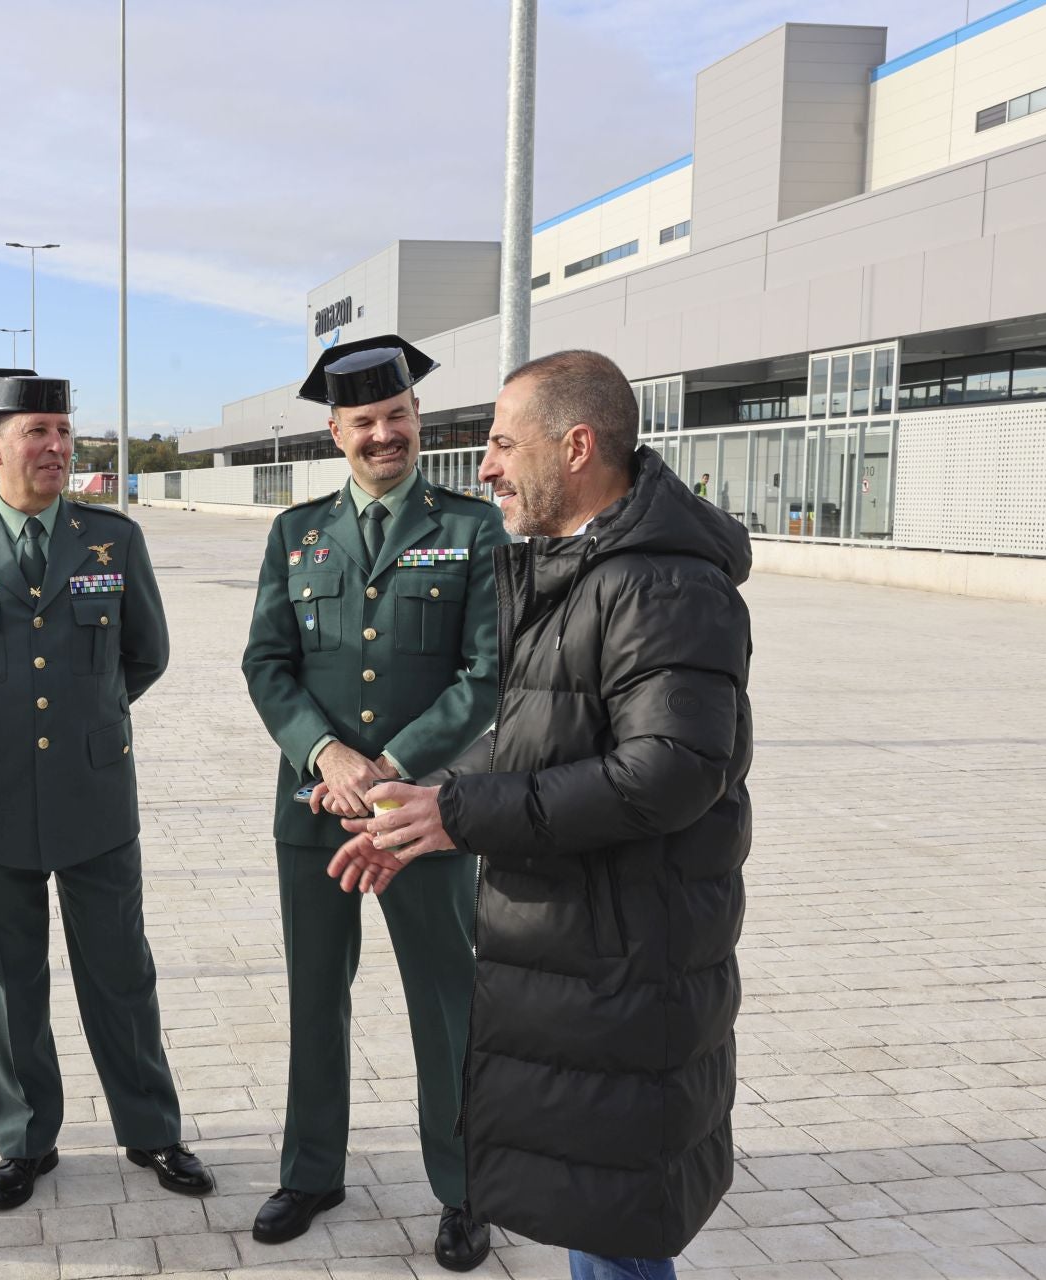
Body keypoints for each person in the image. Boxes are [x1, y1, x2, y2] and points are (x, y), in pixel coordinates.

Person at [330, 349, 753, 1280]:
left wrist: (463, 813)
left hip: (623, 969)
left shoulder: (661, 584)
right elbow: (535, 738)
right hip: (581, 964)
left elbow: (671, 770)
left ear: (574, 446)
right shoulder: (573, 568)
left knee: (615, 1232)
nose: (482, 467)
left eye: (498, 443)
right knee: (596, 1216)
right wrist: (425, 808)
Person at [0, 368, 212, 1210]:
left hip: (95, 790)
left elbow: (146, 655)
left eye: (63, 433)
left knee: (120, 971)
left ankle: (152, 1130)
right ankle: (25, 1140)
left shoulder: (113, 541)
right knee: (8, 980)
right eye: (37, 433)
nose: (56, 448)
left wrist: (87, 719)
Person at [239, 335, 506, 1269]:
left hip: (423, 815)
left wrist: (387, 762)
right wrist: (327, 755)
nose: (383, 434)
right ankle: (312, 1170)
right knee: (317, 996)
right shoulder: (295, 532)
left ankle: (468, 1188)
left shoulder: (475, 530)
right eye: (365, 423)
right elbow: (265, 663)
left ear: (418, 421)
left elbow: (487, 677)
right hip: (313, 807)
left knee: (446, 1001)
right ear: (335, 432)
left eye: (397, 418)